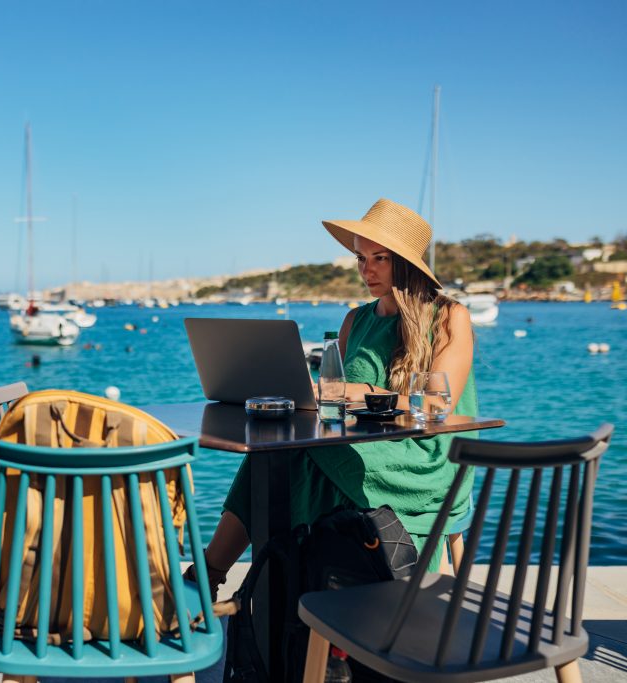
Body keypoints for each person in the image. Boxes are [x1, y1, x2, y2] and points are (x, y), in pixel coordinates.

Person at [198, 197, 477, 595]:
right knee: (281, 448)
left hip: (422, 454)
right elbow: (334, 401)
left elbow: (434, 406)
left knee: (292, 452)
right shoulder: (356, 319)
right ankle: (246, 580)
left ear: (406, 262)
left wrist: (352, 392)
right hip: (362, 442)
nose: (367, 269)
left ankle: (217, 578)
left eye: (379, 258)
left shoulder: (450, 316)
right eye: (361, 259)